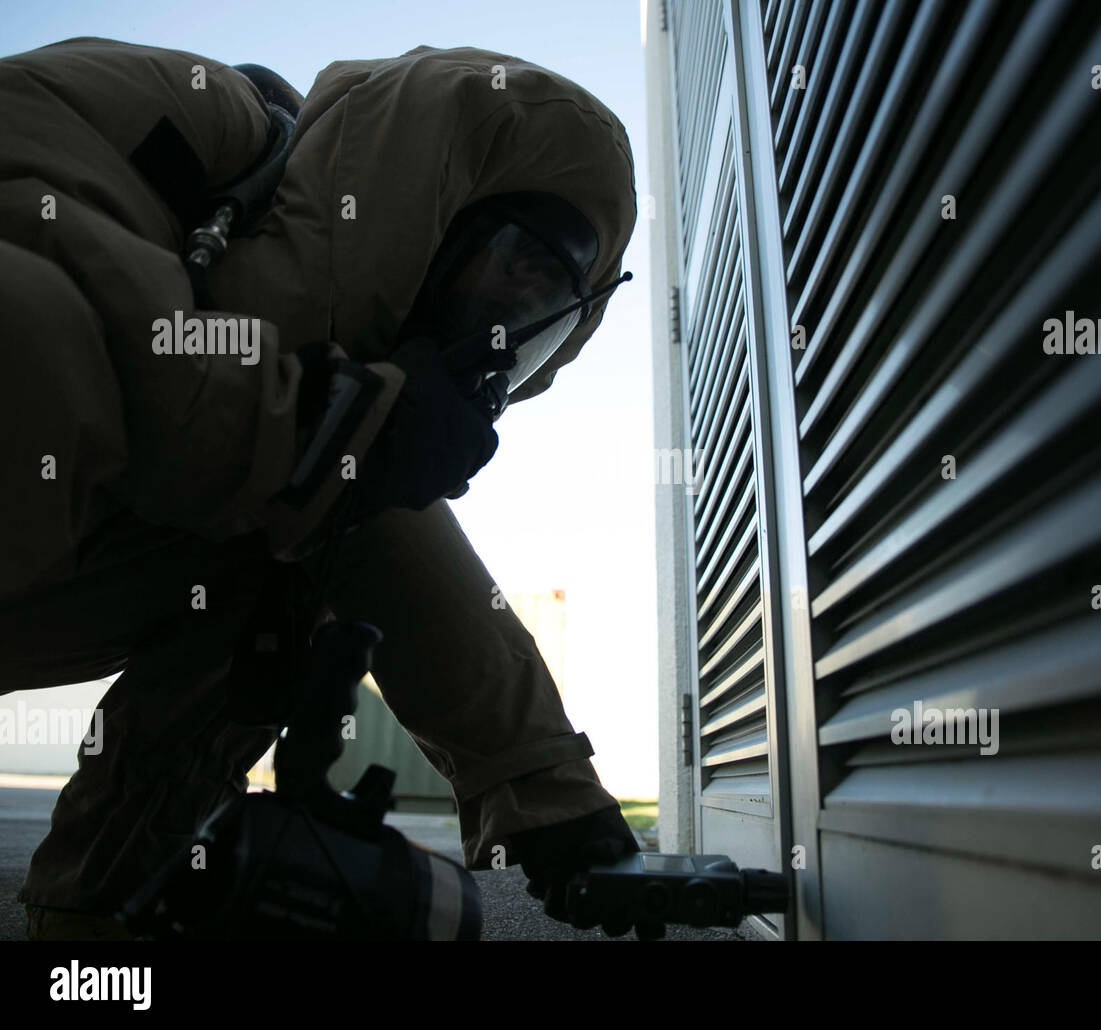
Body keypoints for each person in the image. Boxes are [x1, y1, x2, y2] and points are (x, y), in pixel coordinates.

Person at [0, 36, 642, 939]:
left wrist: (547, 791)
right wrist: (327, 425)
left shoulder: (302, 379)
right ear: (431, 192)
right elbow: (55, 299)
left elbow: (368, 524)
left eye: (533, 319)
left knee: (303, 534)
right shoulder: (190, 121)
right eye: (516, 264)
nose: (496, 325)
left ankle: (102, 918)